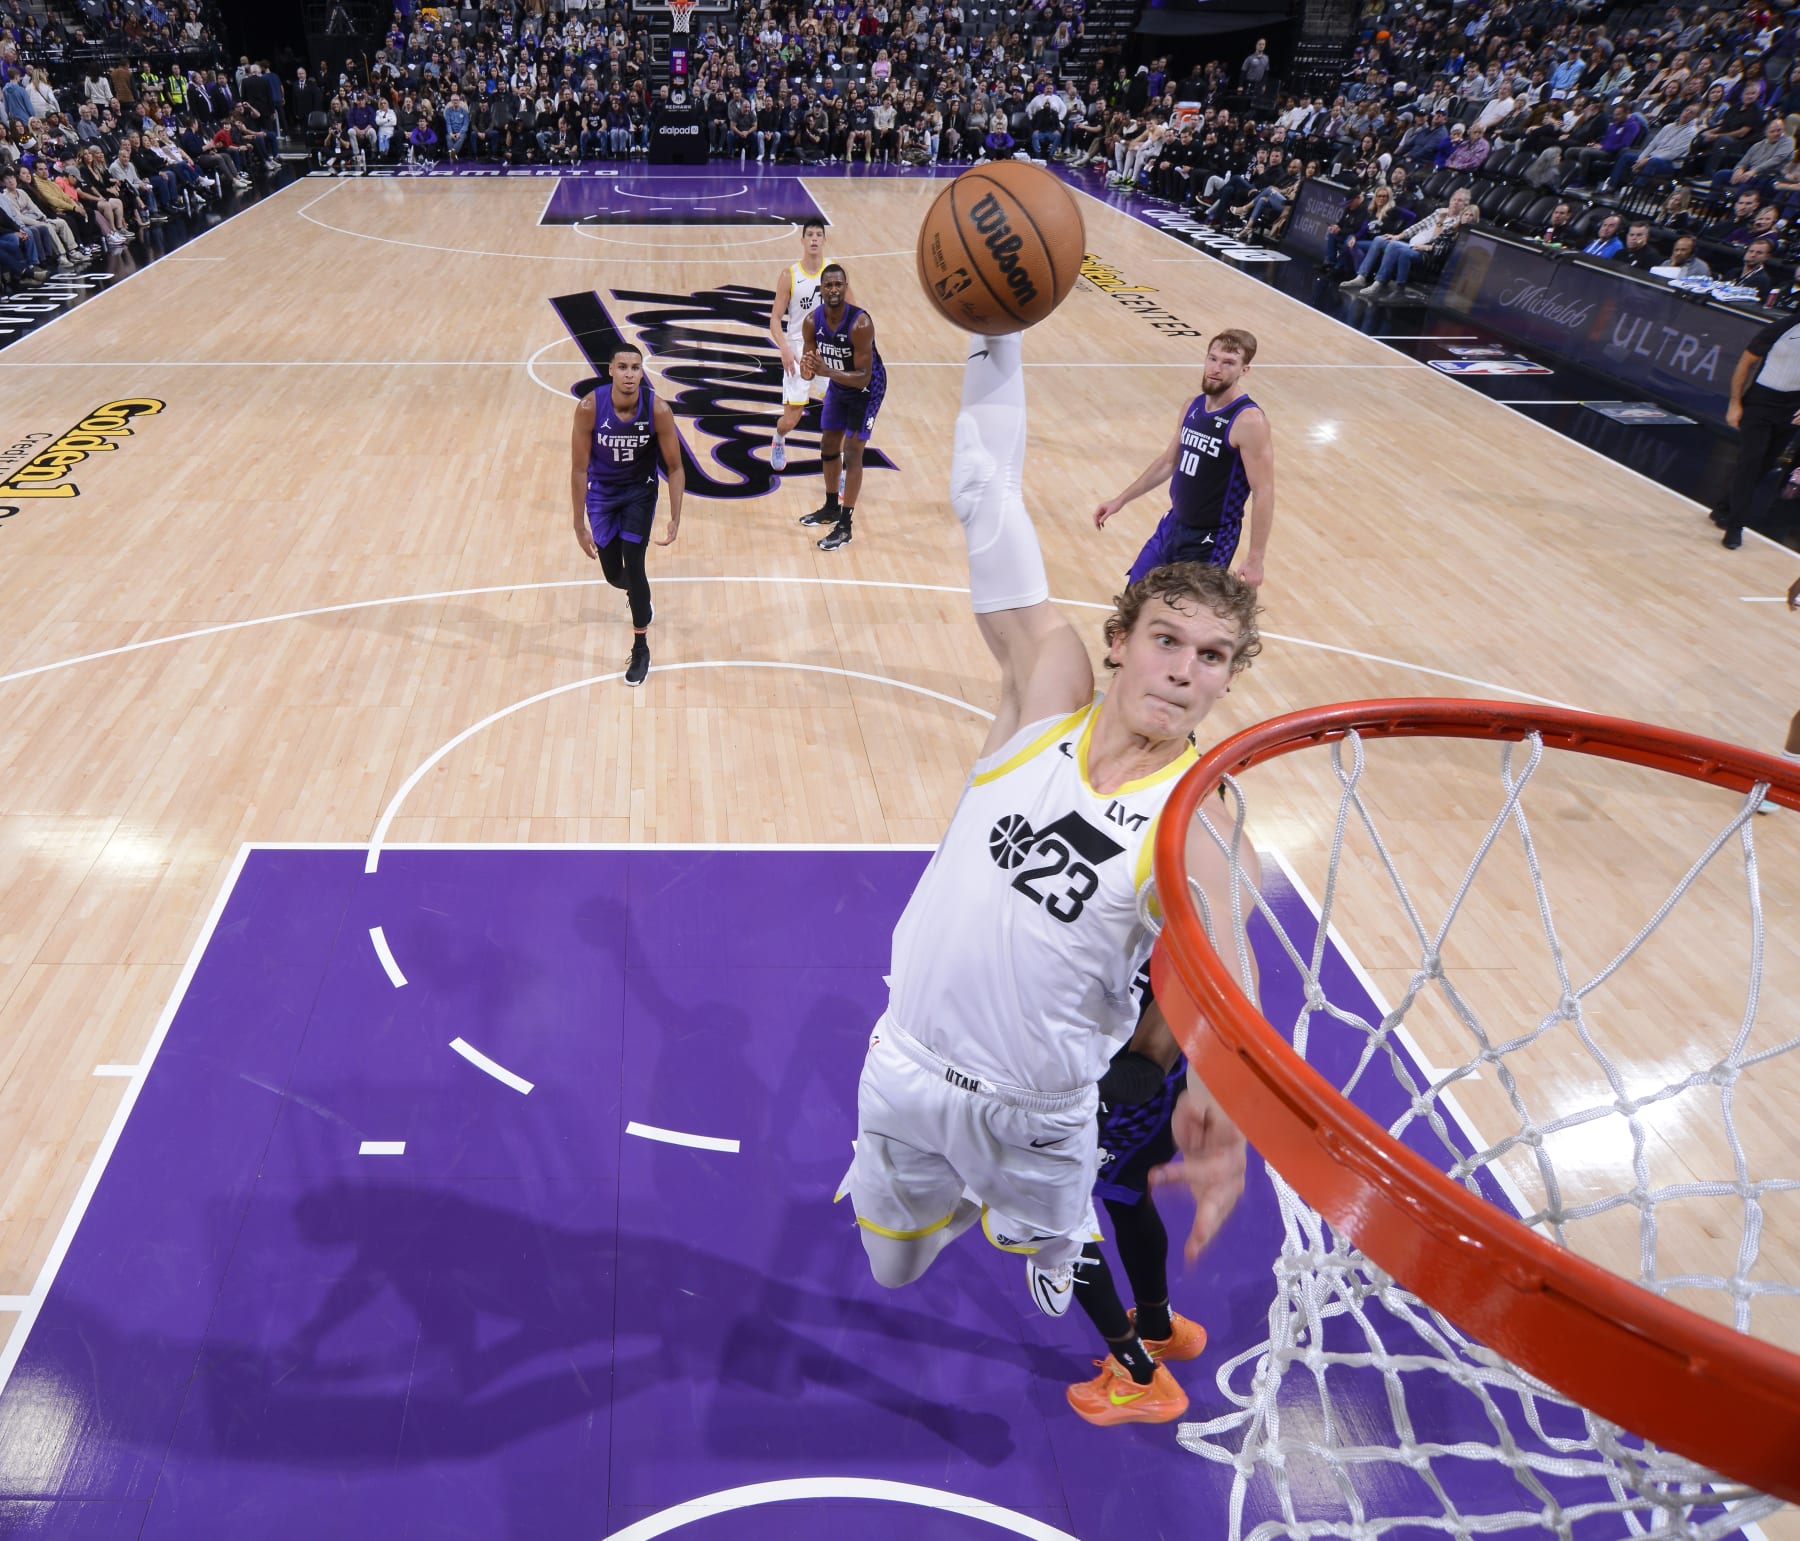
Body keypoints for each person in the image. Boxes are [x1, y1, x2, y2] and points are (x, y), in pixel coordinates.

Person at [837, 330, 1261, 1417]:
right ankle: (969, 1211)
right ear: (1121, 640)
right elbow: (986, 497)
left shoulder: (1193, 807)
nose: (1185, 669)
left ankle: (1080, 1286)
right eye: (1169, 638)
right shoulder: (1046, 695)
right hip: (910, 1063)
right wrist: (997, 338)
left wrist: (1224, 1104)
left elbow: (1232, 961)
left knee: (1055, 1251)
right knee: (890, 1267)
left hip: (1040, 1112)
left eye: (1213, 657)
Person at [1064, 1000, 1209, 1424]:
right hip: (1113, 1091)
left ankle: (1139, 1376)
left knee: (1049, 1224)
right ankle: (1157, 1327)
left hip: (1129, 1099)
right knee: (1127, 1199)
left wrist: (1042, 1068)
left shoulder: (1177, 946)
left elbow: (1145, 1073)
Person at [1095, 331, 1275, 589]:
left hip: (1211, 539)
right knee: (1134, 598)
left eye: (1228, 363)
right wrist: (1120, 500)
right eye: (1212, 359)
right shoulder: (1193, 406)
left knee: (1185, 619)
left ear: (1244, 370)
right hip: (1172, 525)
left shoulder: (1248, 420)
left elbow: (1264, 490)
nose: (1216, 368)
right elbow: (1168, 462)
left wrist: (1256, 558)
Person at [569, 342, 684, 687]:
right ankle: (638, 598)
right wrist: (578, 523)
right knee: (615, 576)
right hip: (602, 496)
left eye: (635, 368)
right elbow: (578, 469)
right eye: (623, 367)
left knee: (635, 564)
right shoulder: (590, 407)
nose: (630, 374)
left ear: (641, 372)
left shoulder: (658, 410)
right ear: (610, 370)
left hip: (639, 493)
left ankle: (640, 645)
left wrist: (676, 516)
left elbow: (676, 468)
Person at [799, 263, 885, 551]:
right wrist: (807, 369)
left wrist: (824, 372)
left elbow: (863, 375)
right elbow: (807, 368)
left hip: (866, 389)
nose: (834, 289)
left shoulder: (860, 323)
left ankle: (845, 525)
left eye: (839, 285)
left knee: (852, 451)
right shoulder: (812, 321)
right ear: (821, 289)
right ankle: (830, 506)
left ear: (845, 287)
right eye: (828, 285)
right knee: (828, 445)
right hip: (838, 384)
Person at [1716, 312, 1800, 549]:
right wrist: (1735, 403)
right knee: (1751, 460)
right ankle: (1735, 526)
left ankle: (1724, 507)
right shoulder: (1784, 326)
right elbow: (1745, 361)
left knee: (1764, 464)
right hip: (1762, 401)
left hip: (1792, 407)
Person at [768, 216, 840, 475]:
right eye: (809, 235)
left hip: (829, 350)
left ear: (824, 240)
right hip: (798, 348)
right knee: (791, 419)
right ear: (802, 240)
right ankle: (778, 437)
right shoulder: (790, 275)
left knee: (837, 414)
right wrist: (785, 348)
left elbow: (853, 311)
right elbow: (775, 319)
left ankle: (839, 469)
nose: (813, 239)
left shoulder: (835, 273)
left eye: (818, 235)